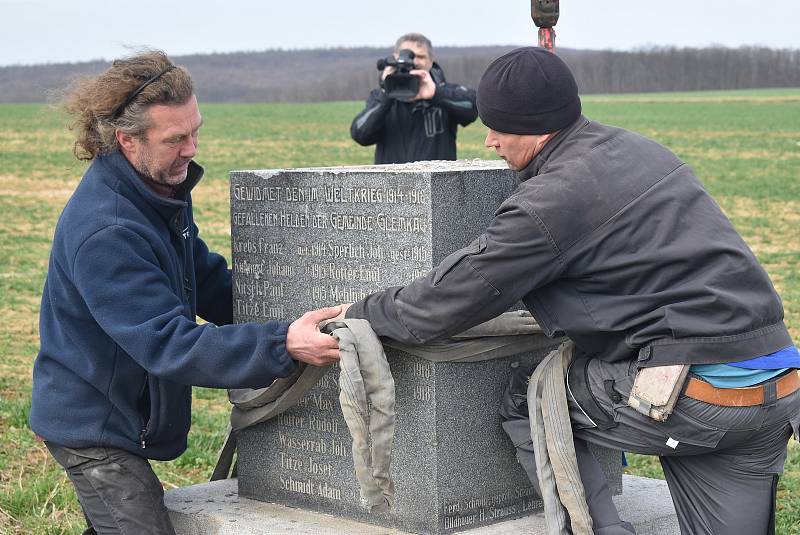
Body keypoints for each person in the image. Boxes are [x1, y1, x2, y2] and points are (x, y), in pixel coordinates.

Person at [341, 47, 800, 534]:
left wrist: (356, 313)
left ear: (537, 127)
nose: (491, 142)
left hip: (692, 397)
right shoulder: (639, 150)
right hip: (776, 384)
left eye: (498, 128)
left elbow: (443, 302)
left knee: (533, 395)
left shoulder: (551, 200)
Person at [29, 50, 341, 535]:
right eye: (175, 138)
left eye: (195, 130)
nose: (192, 148)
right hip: (94, 425)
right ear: (126, 140)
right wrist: (283, 344)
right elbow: (168, 343)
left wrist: (296, 308)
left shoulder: (155, 192)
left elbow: (206, 280)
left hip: (124, 408)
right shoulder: (109, 230)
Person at [350, 32, 478, 164]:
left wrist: (436, 94)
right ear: (395, 59)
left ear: (431, 61)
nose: (414, 62)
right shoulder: (380, 97)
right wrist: (387, 94)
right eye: (407, 55)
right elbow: (360, 135)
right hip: (393, 182)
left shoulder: (445, 91)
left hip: (436, 182)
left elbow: (474, 107)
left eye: (420, 56)